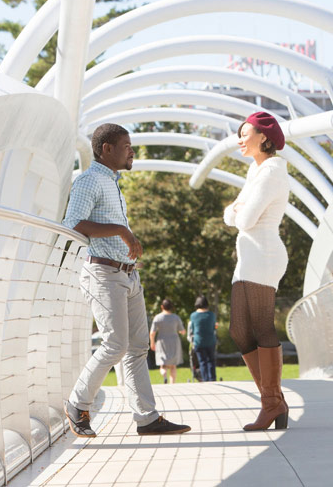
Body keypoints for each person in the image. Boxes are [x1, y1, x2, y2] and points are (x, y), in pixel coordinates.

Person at [62, 123, 190, 437]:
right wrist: (121, 232)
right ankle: (77, 404)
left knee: (136, 349)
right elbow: (75, 224)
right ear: (106, 149)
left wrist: (128, 250)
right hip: (103, 274)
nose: (132, 151)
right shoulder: (89, 181)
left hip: (128, 275)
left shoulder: (113, 183)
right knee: (115, 344)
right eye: (126, 145)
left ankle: (146, 418)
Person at [223, 111, 290, 431]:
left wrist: (237, 212)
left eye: (244, 133)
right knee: (239, 330)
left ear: (264, 137)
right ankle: (273, 401)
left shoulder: (272, 171)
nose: (239, 139)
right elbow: (229, 213)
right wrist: (237, 211)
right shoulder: (256, 169)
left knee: (262, 327)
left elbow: (245, 219)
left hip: (263, 254)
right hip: (248, 257)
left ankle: (271, 402)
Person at [149, 298, 185, 384]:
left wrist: (152, 343)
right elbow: (182, 331)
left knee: (163, 364)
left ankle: (164, 375)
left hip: (162, 342)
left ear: (162, 307)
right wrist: (180, 331)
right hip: (174, 342)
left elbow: (152, 333)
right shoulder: (176, 318)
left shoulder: (157, 318)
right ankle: (172, 383)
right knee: (173, 366)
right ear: (171, 307)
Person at [189, 295, 217, 382]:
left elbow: (192, 329)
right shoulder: (211, 315)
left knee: (202, 362)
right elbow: (213, 328)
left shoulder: (193, 316)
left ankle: (205, 380)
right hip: (210, 341)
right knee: (211, 361)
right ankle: (212, 379)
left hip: (198, 341)